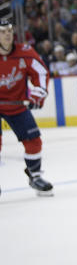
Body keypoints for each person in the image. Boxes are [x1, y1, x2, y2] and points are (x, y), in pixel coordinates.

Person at [0, 19, 54, 196]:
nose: (8, 34)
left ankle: (35, 175)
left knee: (34, 141)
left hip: (17, 104)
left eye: (9, 30)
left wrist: (38, 94)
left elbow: (41, 72)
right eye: (3, 31)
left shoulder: (24, 52)